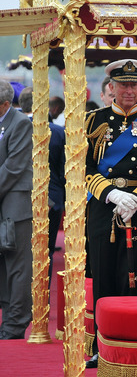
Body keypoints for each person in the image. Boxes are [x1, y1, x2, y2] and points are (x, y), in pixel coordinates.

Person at [84, 59, 137, 367]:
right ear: (112, 87)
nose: (129, 90)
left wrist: (136, 198)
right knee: (104, 276)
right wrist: (111, 194)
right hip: (103, 210)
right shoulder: (93, 121)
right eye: (124, 85)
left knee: (131, 277)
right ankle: (103, 346)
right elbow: (84, 168)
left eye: (135, 85)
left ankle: (130, 344)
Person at [19, 87, 66, 283]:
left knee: (18, 253)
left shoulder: (15, 129)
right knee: (44, 252)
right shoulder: (58, 132)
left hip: (19, 196)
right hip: (52, 198)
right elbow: (65, 171)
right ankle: (42, 298)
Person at [0, 79, 33, 340]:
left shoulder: (21, 123)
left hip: (16, 203)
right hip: (3, 199)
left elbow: (13, 167)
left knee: (18, 266)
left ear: (6, 104)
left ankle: (15, 324)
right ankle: (7, 319)